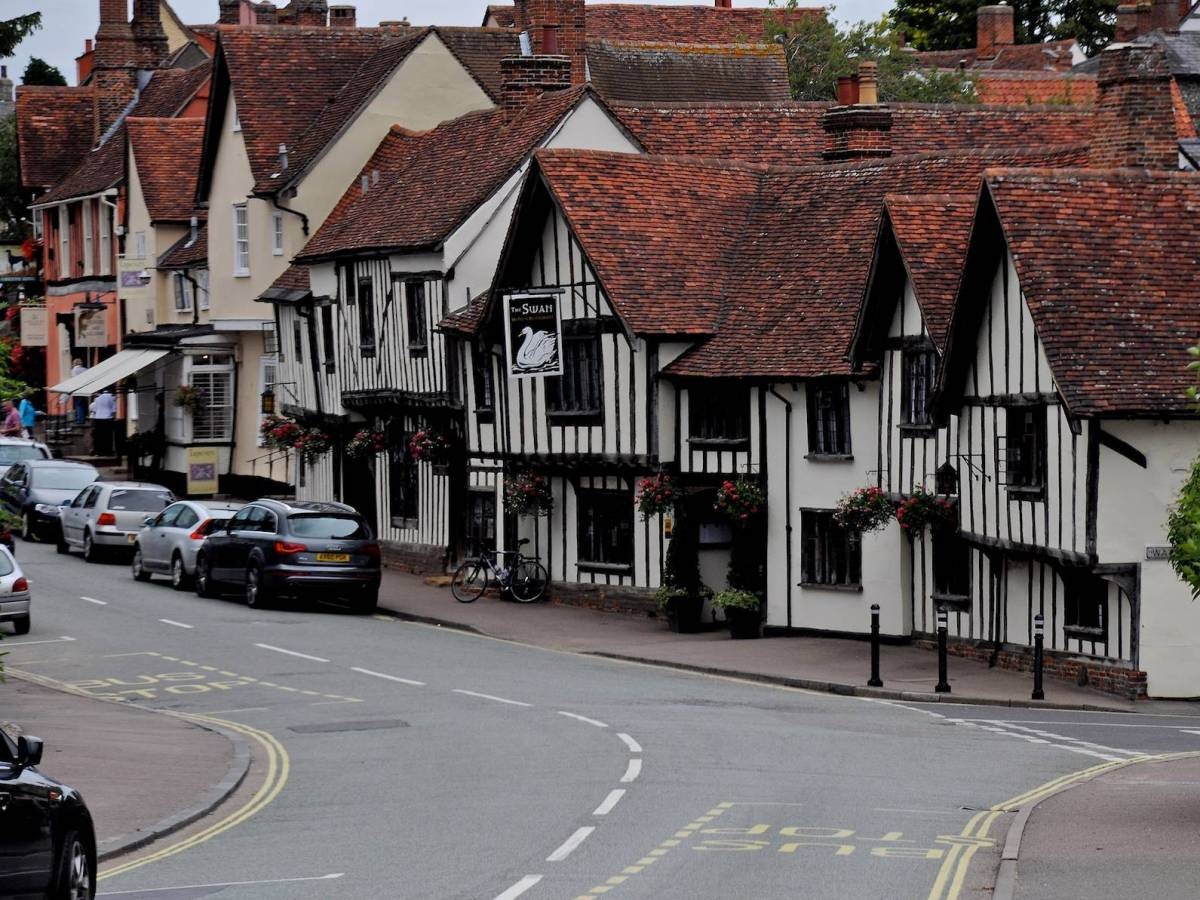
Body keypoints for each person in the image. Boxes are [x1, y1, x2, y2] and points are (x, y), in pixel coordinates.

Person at [90, 388, 117, 456]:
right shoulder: (112, 397)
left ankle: (98, 452)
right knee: (107, 437)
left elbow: (94, 409)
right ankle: (108, 452)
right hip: (108, 418)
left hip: (98, 418)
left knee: (98, 437)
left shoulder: (97, 398)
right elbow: (114, 410)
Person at [70, 359, 88, 425]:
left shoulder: (73, 370)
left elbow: (73, 380)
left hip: (77, 389)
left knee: (78, 405)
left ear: (74, 364)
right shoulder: (85, 369)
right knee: (83, 404)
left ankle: (80, 420)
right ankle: (83, 417)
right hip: (84, 389)